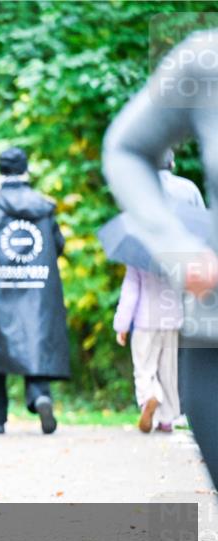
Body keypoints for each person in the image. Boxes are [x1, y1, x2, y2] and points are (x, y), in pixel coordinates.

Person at [102, 30, 218, 481]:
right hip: (208, 317)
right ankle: (166, 407)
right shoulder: (205, 62)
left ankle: (154, 401)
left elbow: (132, 280)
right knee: (166, 362)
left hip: (152, 306)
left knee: (147, 361)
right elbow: (125, 149)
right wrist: (179, 250)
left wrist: (120, 321)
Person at [0, 147, 70, 435]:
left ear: (0, 170)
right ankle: (39, 397)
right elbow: (58, 245)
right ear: (26, 170)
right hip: (37, 290)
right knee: (35, 343)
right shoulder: (43, 205)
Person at [112, 150, 205, 433]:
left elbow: (131, 286)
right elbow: (203, 228)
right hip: (175, 313)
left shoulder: (140, 196)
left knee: (144, 364)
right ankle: (168, 418)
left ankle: (148, 397)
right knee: (169, 368)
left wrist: (121, 323)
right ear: (172, 163)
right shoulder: (187, 190)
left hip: (144, 317)